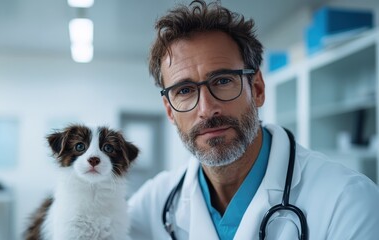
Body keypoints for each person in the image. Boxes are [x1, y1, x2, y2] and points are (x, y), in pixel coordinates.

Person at [128, 1, 379, 239]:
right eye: (184, 90)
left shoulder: (348, 202)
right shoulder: (155, 201)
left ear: (257, 88)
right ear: (170, 110)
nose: (206, 109)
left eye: (223, 81)